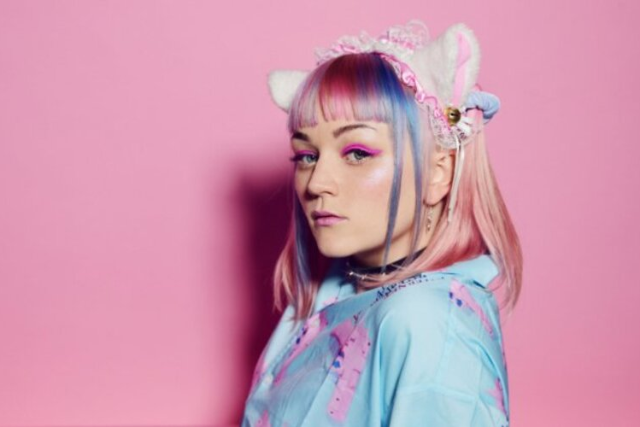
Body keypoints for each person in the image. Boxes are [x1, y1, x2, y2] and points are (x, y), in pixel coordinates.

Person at [242, 20, 522, 426]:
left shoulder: (423, 322)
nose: (316, 183)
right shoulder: (333, 290)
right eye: (306, 156)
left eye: (357, 153)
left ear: (439, 173)